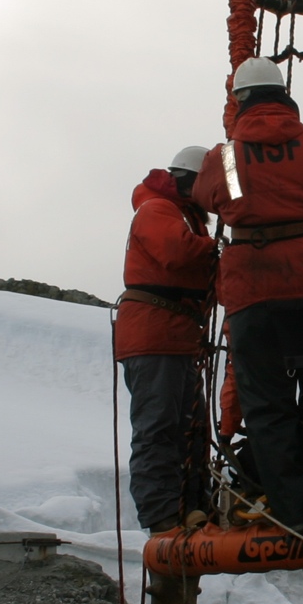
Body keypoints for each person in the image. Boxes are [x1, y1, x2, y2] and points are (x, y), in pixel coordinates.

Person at [192, 57, 303, 531]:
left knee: (268, 404)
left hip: (254, 294)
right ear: (285, 95)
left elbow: (204, 196)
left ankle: (294, 514)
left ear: (241, 101)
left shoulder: (223, 157)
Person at [113, 145, 216, 534]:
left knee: (189, 429)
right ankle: (162, 516)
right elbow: (177, 252)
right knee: (159, 427)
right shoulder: (157, 209)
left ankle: (192, 509)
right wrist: (221, 250)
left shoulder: (179, 215)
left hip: (173, 335)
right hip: (155, 334)